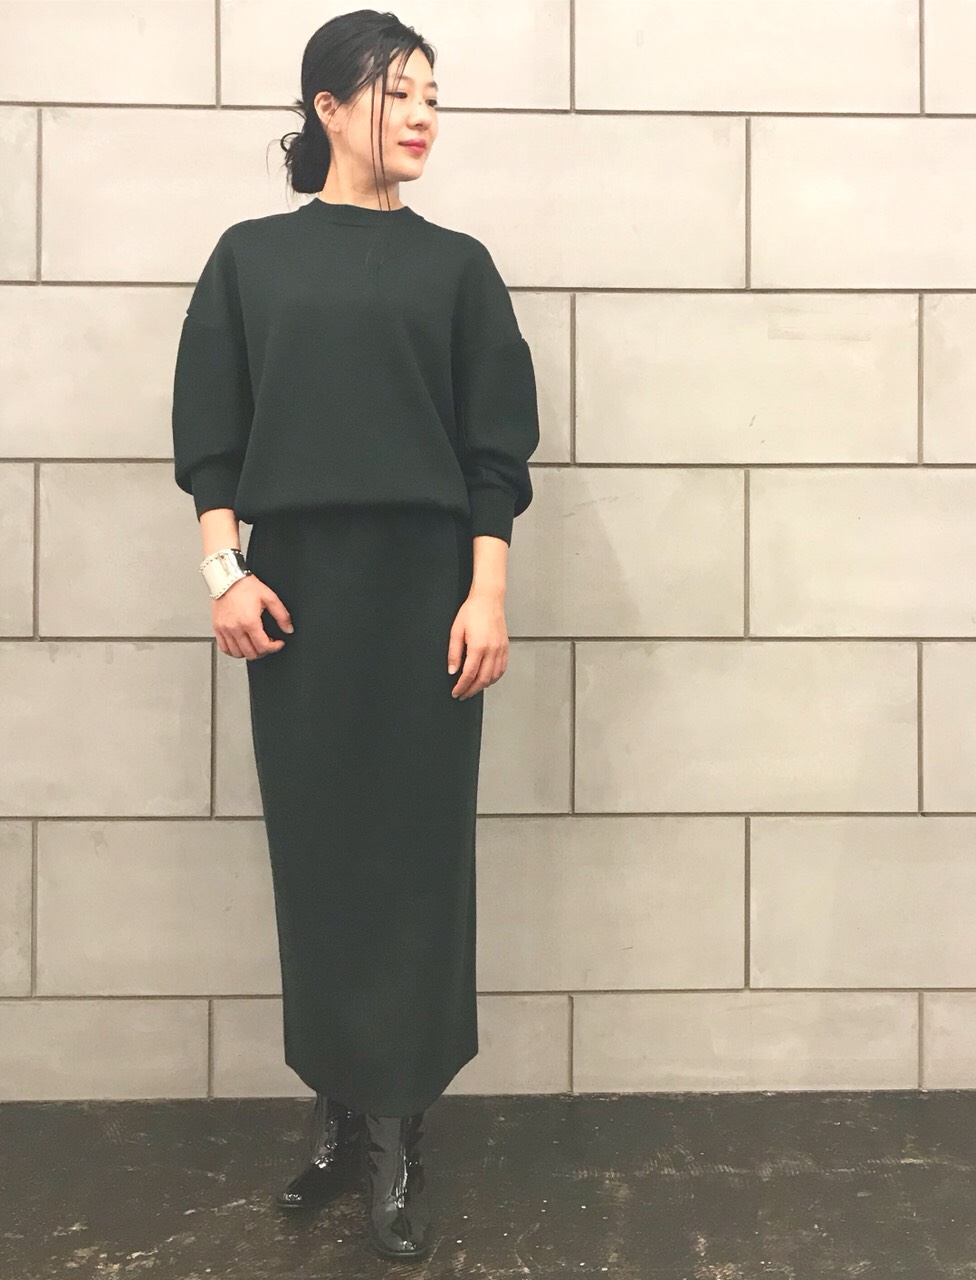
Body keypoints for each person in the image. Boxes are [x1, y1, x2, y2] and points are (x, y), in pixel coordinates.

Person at [169, 9, 539, 1262]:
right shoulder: (250, 260)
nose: (423, 115)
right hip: (297, 600)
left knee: (416, 861)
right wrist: (224, 570)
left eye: (434, 94)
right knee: (319, 855)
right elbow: (211, 435)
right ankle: (335, 1110)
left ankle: (396, 1132)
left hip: (427, 594)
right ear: (327, 107)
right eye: (398, 92)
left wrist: (485, 592)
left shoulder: (459, 269)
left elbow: (495, 453)